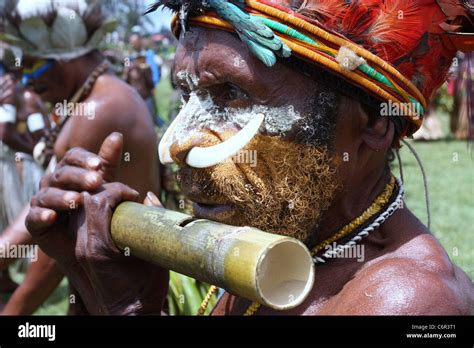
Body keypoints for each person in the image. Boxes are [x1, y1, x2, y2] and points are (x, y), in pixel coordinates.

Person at [25, 0, 474, 315]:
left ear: (372, 123)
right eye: (188, 97)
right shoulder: (285, 237)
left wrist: (128, 311)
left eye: (232, 94)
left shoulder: (406, 301)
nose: (178, 142)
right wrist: (91, 279)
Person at [0, 0, 161, 315]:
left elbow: (61, 235)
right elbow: (46, 205)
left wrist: (12, 316)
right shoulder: (90, 98)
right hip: (102, 283)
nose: (27, 81)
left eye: (32, 65)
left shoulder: (98, 110)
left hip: (120, 291)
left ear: (63, 59)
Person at [0, 59, 48, 298]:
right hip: (10, 164)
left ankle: (7, 280)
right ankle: (29, 280)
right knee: (24, 221)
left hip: (11, 162)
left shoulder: (19, 92)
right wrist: (36, 152)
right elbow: (6, 132)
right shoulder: (15, 90)